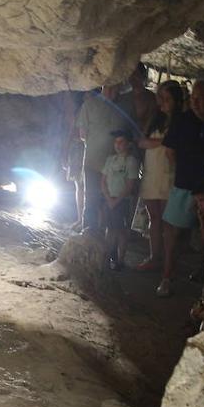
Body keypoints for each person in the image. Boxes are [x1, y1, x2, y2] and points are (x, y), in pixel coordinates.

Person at [159, 79, 204, 297]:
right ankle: (167, 276)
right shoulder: (182, 119)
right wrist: (181, 171)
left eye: (200, 99)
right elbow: (169, 150)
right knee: (174, 232)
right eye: (193, 98)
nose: (195, 103)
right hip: (185, 183)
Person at [135, 80, 183, 275]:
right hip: (152, 172)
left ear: (176, 100)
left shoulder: (181, 121)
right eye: (160, 98)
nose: (162, 102)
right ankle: (155, 257)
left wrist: (154, 142)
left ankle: (168, 262)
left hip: (169, 174)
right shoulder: (156, 118)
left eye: (167, 99)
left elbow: (175, 147)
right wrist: (164, 141)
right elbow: (141, 142)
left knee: (167, 221)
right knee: (153, 217)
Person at [76, 83, 138, 234]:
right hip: (93, 162)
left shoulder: (125, 108)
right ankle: (89, 236)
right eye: (108, 87)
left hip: (115, 168)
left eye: (115, 88)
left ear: (119, 89)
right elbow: (82, 134)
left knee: (110, 203)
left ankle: (106, 243)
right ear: (102, 86)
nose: (111, 91)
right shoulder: (89, 104)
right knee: (91, 200)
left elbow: (130, 133)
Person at [101, 130, 140, 270]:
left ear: (128, 144)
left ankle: (120, 260)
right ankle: (108, 256)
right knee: (109, 229)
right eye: (116, 142)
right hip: (109, 199)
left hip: (123, 201)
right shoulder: (110, 159)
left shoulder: (131, 161)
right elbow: (103, 181)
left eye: (121, 142)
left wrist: (115, 201)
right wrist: (107, 198)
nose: (117, 145)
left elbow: (130, 185)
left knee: (121, 231)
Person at [59, 90, 86, 230]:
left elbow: (71, 132)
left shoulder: (80, 110)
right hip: (78, 147)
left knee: (81, 186)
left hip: (79, 147)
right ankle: (81, 218)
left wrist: (65, 151)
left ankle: (82, 219)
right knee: (80, 186)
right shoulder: (78, 110)